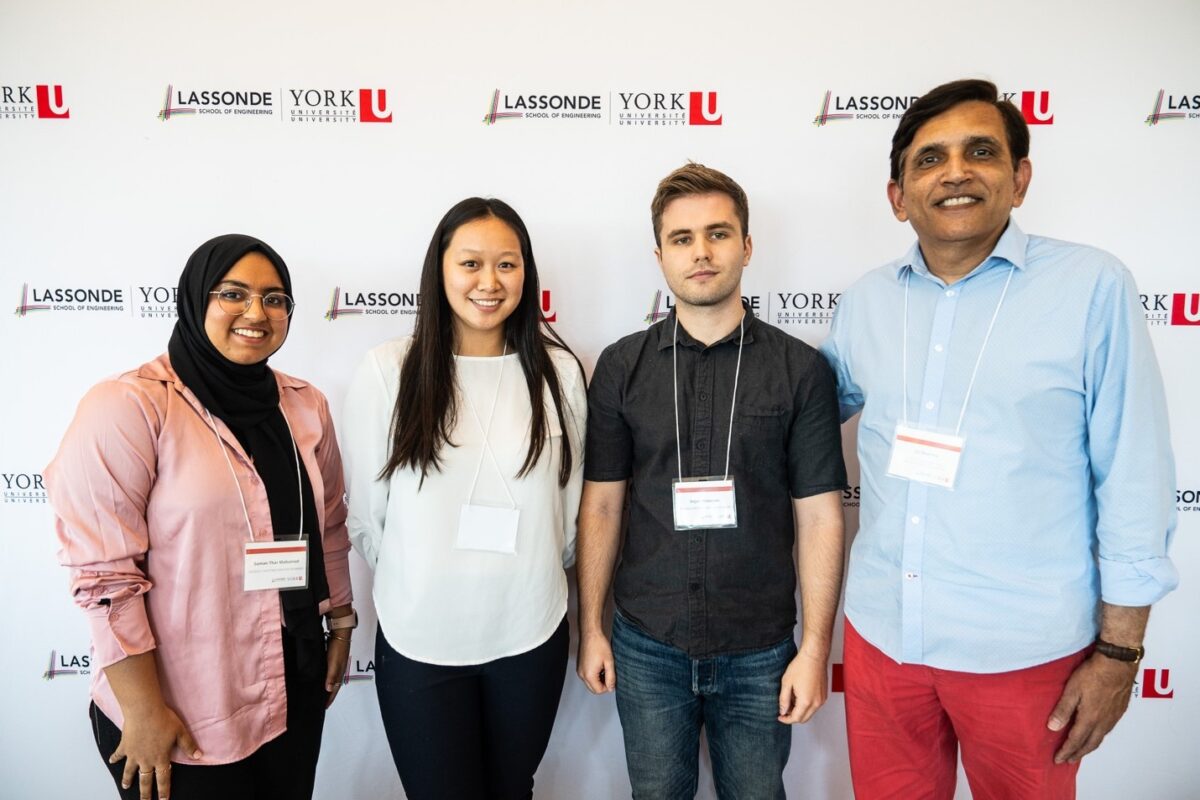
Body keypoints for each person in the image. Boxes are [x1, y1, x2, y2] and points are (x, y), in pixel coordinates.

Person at [820, 79, 1178, 799]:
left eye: (979, 152)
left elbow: (1135, 478)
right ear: (898, 197)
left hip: (1028, 654)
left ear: (1019, 178)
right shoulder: (866, 301)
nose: (954, 172)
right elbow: (799, 417)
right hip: (885, 639)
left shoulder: (1091, 287)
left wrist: (1118, 652)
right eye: (929, 160)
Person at [46, 234, 357, 800]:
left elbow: (329, 524)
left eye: (275, 298)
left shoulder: (305, 404)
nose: (256, 313)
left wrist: (339, 621)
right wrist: (141, 713)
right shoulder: (132, 406)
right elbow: (105, 578)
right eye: (233, 294)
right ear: (195, 300)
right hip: (183, 705)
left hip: (293, 680)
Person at [576, 163, 847, 798]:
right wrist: (591, 627)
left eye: (719, 234)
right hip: (647, 644)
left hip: (760, 650)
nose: (701, 252)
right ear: (660, 255)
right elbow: (602, 509)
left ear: (747, 246)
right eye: (682, 238)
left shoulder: (800, 370)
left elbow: (820, 516)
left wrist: (814, 649)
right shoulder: (621, 366)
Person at [342, 197, 585, 799]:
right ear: (440, 270)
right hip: (419, 635)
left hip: (529, 630)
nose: (489, 282)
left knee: (511, 790)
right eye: (471, 263)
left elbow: (570, 512)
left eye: (508, 264)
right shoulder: (388, 371)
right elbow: (369, 519)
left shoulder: (558, 372)